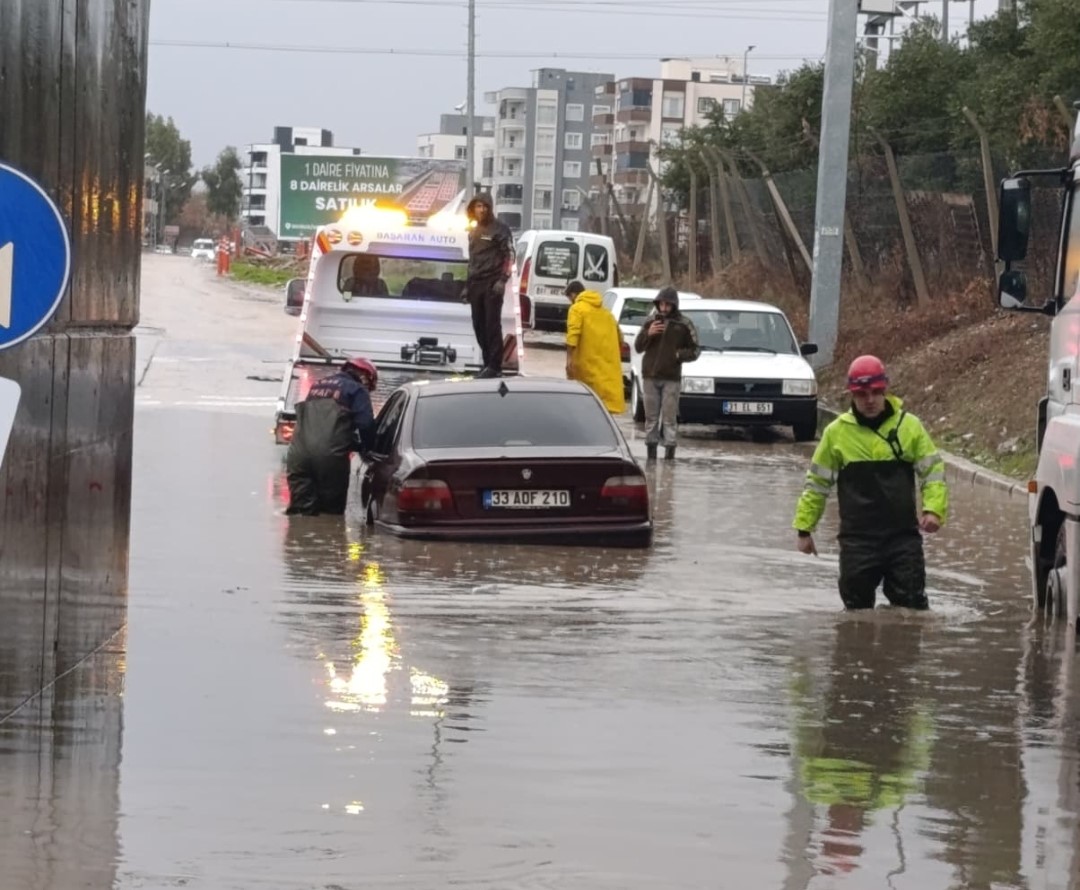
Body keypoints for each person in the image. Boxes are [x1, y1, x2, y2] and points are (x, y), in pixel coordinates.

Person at [792, 355, 949, 610]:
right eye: (862, 394)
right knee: (855, 613)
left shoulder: (909, 427)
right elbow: (817, 485)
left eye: (876, 392)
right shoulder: (837, 433)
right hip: (857, 542)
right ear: (851, 395)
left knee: (912, 610)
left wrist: (934, 510)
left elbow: (932, 472)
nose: (870, 400)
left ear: (885, 389)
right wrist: (804, 529)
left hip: (903, 540)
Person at [286, 357, 378, 516]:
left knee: (300, 513)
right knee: (330, 515)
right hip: (330, 458)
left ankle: (299, 538)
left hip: (298, 456)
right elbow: (366, 425)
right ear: (365, 376)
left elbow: (319, 423)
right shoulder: (356, 389)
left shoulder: (317, 385)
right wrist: (369, 448)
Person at [632, 286, 700, 460]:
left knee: (669, 419)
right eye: (661, 304)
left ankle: (670, 457)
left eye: (667, 305)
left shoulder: (684, 324)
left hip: (671, 378)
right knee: (651, 419)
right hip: (650, 376)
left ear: (674, 305)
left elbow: (696, 350)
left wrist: (678, 355)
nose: (663, 308)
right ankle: (651, 458)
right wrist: (649, 333)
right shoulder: (650, 321)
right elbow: (638, 347)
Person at [465, 192, 514, 378]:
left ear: (490, 208)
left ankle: (495, 366)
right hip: (476, 284)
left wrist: (502, 280)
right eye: (478, 206)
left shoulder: (500, 229)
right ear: (473, 208)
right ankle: (487, 363)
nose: (482, 210)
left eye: (485, 206)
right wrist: (467, 286)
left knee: (492, 325)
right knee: (478, 325)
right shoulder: (473, 230)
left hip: (493, 284)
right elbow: (472, 261)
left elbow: (510, 255)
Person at [564, 280, 625, 414]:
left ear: (573, 295)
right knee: (602, 411)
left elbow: (573, 336)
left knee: (584, 407)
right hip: (605, 372)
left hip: (586, 369)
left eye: (569, 298)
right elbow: (620, 338)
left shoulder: (576, 309)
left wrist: (569, 360)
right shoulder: (607, 314)